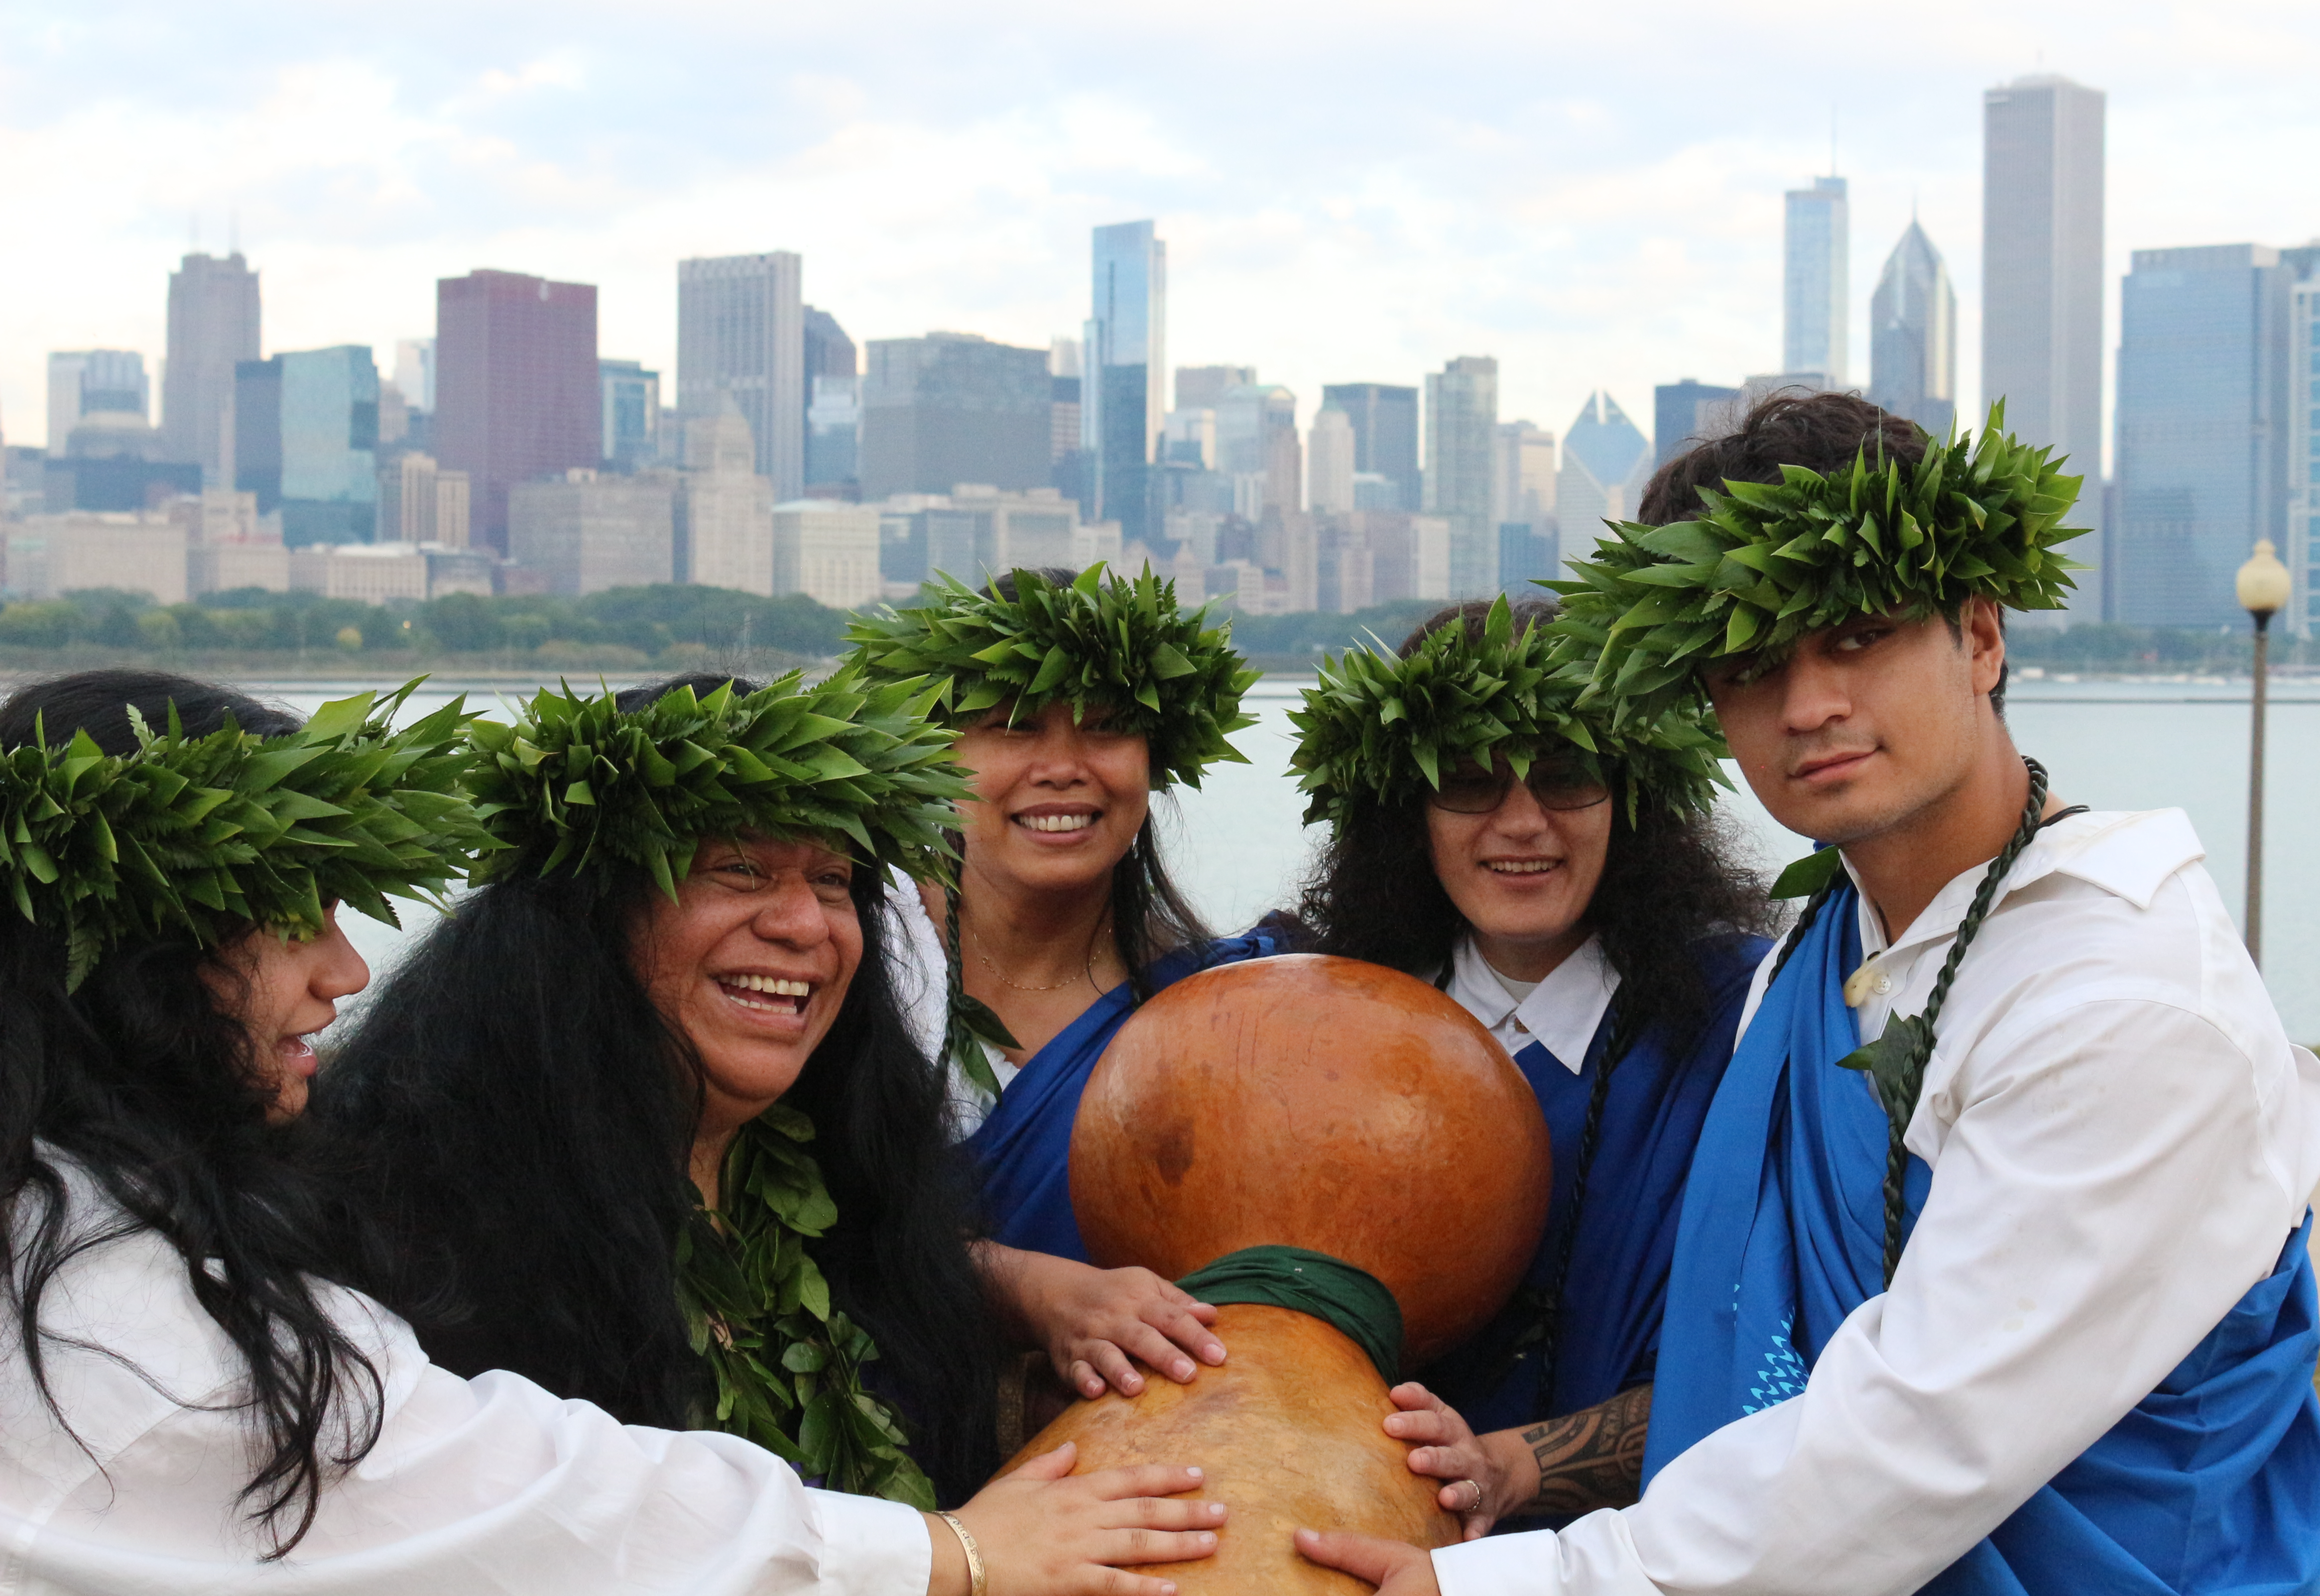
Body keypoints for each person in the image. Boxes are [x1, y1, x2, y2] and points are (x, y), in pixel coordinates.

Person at [1297, 393, 2320, 1595]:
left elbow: (1916, 1441)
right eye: (1749, 665)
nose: (1807, 706)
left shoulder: (2124, 1004)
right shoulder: (1820, 948)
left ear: (1980, 635)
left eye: (1856, 637)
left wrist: (1495, 1583)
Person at [0, 667, 1223, 1594]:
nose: (345, 968)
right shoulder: (336, 1236)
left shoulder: (862, 1201)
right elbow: (498, 1498)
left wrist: (1005, 1285)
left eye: (837, 880)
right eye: (738, 870)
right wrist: (945, 1550)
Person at [1286, 594, 1775, 1535]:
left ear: (1632, 798)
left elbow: (1768, 1352)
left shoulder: (1747, 1019)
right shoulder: (1314, 1016)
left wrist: (1517, 1466)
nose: (1521, 822)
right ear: (1405, 810)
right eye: (1467, 781)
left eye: (1565, 778)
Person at [848, 565, 1283, 1404]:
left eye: (1107, 727)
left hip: (1126, 1481)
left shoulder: (1222, 1005)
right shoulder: (841, 963)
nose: (1063, 766)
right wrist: (1023, 1286)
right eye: (1011, 726)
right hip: (859, 1500)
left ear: (1155, 763)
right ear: (933, 753)